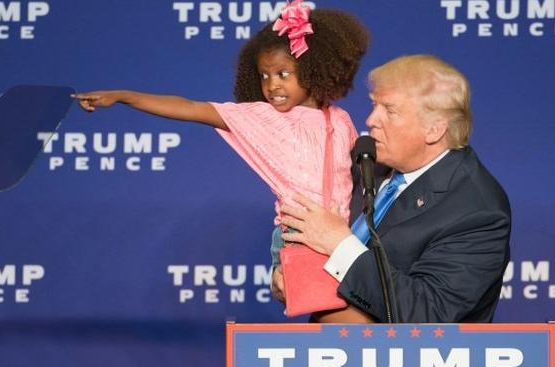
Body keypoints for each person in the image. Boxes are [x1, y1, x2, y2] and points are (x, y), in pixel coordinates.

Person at [73, 1, 372, 322]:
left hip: (341, 236)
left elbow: (356, 180)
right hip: (300, 237)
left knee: (351, 327)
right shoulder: (264, 117)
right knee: (344, 328)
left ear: (312, 69)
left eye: (283, 74)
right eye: (264, 76)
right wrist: (123, 96)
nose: (272, 85)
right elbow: (189, 107)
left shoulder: (339, 119)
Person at [274, 54, 512, 323]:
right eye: (374, 105)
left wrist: (339, 244)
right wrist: (289, 276)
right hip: (330, 353)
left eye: (389, 110)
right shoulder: (364, 163)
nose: (371, 120)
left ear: (434, 130)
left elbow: (428, 313)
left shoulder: (476, 209)